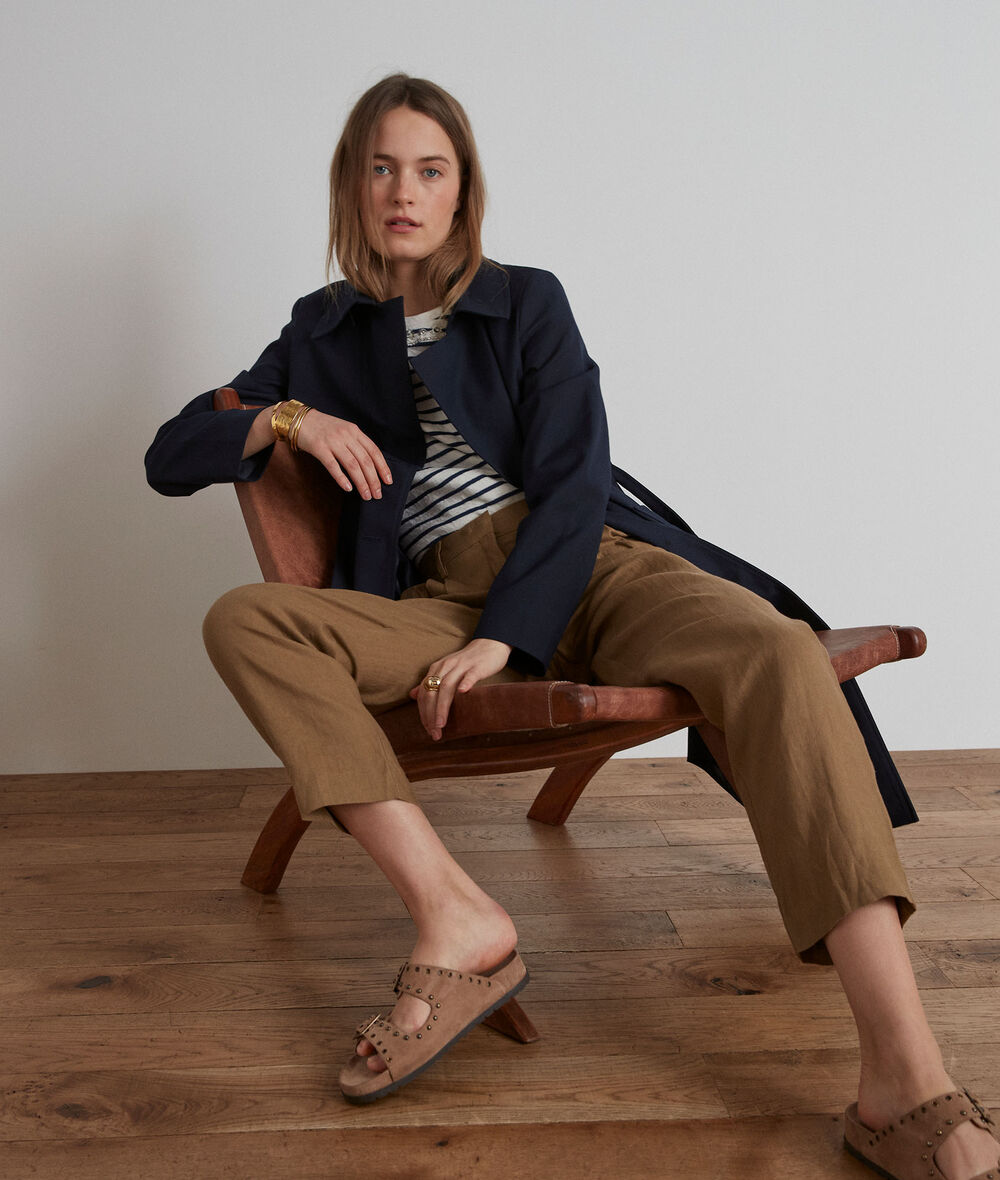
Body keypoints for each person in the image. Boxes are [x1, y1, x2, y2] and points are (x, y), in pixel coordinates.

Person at [145, 74, 998, 1177]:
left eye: (430, 170)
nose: (404, 191)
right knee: (245, 622)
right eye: (382, 168)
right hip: (435, 600)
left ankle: (902, 1077)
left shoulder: (526, 301)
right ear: (352, 186)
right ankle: (456, 916)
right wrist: (289, 418)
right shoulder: (320, 332)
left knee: (777, 651)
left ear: (463, 191)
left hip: (589, 563)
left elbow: (575, 479)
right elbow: (172, 452)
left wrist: (508, 635)